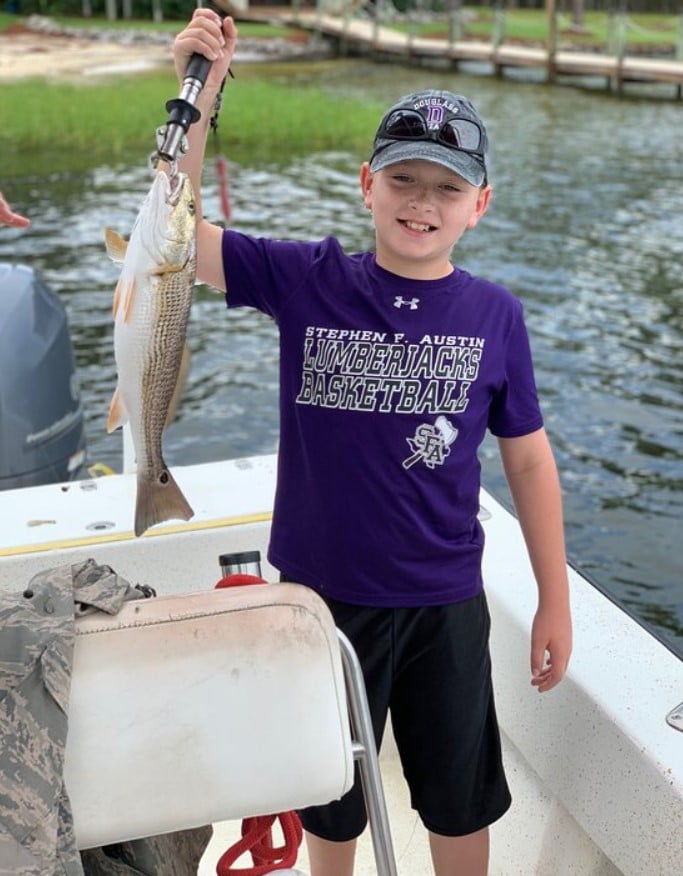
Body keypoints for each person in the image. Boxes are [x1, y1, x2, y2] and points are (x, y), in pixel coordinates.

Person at [171, 10, 573, 876]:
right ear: (365, 185)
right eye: (402, 180)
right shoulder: (305, 277)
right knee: (333, 799)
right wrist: (197, 91)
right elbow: (176, 236)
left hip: (444, 601)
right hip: (322, 604)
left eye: (445, 186)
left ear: (479, 204)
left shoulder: (495, 315)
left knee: (459, 800)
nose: (421, 203)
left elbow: (529, 461)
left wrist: (554, 597)